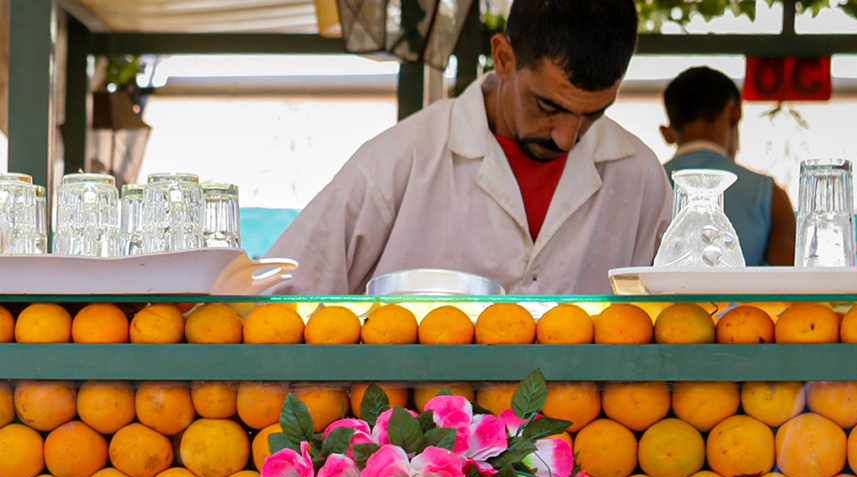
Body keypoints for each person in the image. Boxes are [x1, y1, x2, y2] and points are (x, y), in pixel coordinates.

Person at [263, 0, 672, 295]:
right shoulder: (401, 159)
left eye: (593, 115)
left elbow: (690, 315)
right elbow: (281, 299)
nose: (566, 137)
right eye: (548, 107)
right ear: (504, 58)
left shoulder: (639, 175)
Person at [659, 66, 795, 266]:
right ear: (735, 112)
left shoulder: (645, 185)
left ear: (667, 133)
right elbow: (789, 288)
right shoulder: (770, 196)